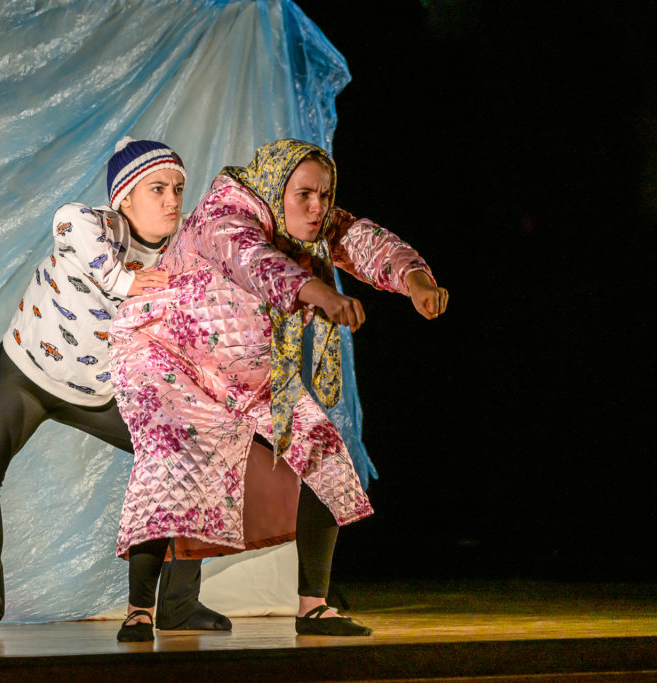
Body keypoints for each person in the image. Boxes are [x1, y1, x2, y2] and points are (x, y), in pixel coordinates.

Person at [109, 138, 449, 641]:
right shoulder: (221, 217)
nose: (317, 209)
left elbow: (363, 240)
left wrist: (415, 279)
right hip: (170, 359)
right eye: (305, 196)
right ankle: (139, 610)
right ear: (274, 189)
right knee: (171, 466)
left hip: (251, 374)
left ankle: (313, 606)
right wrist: (321, 294)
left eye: (325, 195)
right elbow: (253, 261)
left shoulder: (308, 219)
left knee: (324, 456)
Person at [0, 138, 231, 638]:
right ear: (124, 197)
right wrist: (124, 282)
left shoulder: (181, 253)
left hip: (101, 390)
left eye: (178, 189)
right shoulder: (98, 225)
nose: (172, 200)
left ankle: (175, 603)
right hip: (27, 373)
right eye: (158, 188)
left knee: (192, 457)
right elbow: (66, 219)